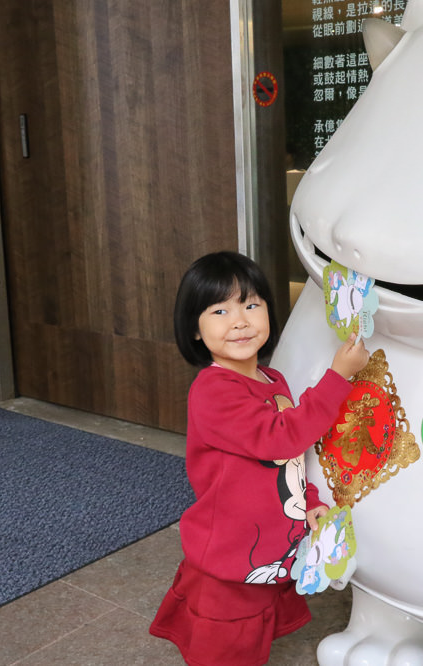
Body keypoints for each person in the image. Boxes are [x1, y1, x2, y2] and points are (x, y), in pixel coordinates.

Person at [150, 251, 370, 665]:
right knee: (227, 647)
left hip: (268, 551)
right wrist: (338, 377)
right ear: (195, 330)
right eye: (220, 310)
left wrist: (311, 507)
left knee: (253, 641)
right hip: (229, 561)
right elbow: (281, 439)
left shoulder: (273, 380)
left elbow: (291, 462)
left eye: (252, 304)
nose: (240, 320)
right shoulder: (213, 390)